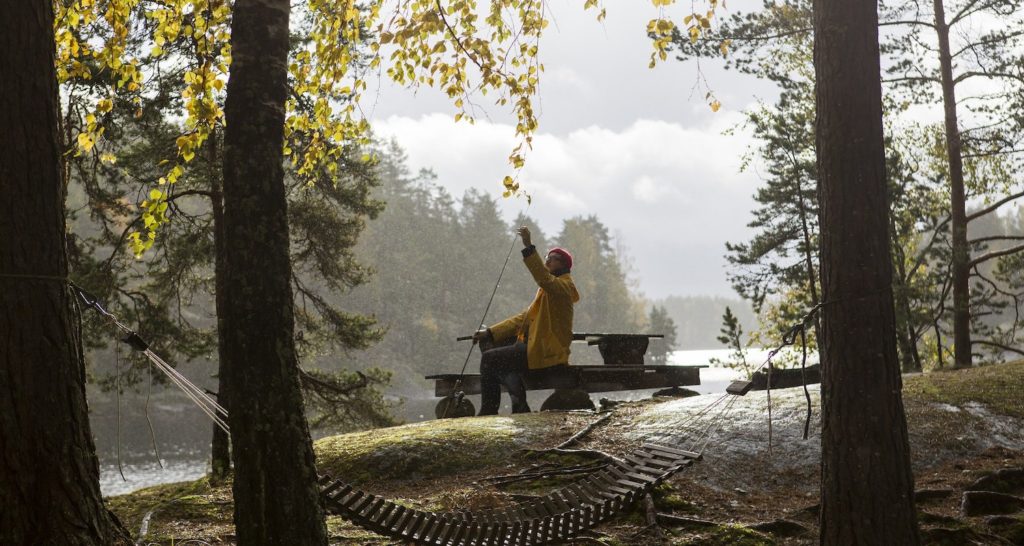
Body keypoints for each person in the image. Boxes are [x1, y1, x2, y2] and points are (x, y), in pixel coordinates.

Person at [473, 226, 580, 415]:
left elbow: (543, 278)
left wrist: (529, 246)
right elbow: (523, 318)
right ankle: (519, 405)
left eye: (552, 258)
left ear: (564, 265)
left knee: (490, 359)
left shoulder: (562, 286)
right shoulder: (548, 290)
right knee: (495, 349)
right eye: (547, 256)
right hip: (533, 345)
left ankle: (491, 408)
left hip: (546, 350)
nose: (547, 260)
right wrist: (490, 332)